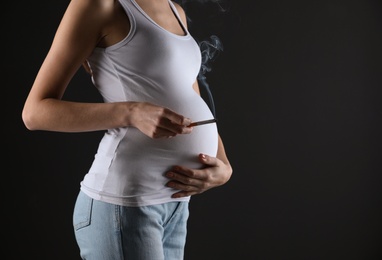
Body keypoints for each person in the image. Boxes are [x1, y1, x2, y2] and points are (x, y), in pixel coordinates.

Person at [22, 0, 232, 259]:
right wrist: (131, 112)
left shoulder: (176, 11)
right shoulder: (100, 5)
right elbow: (34, 113)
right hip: (124, 205)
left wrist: (222, 164)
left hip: (175, 204)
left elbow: (189, 100)